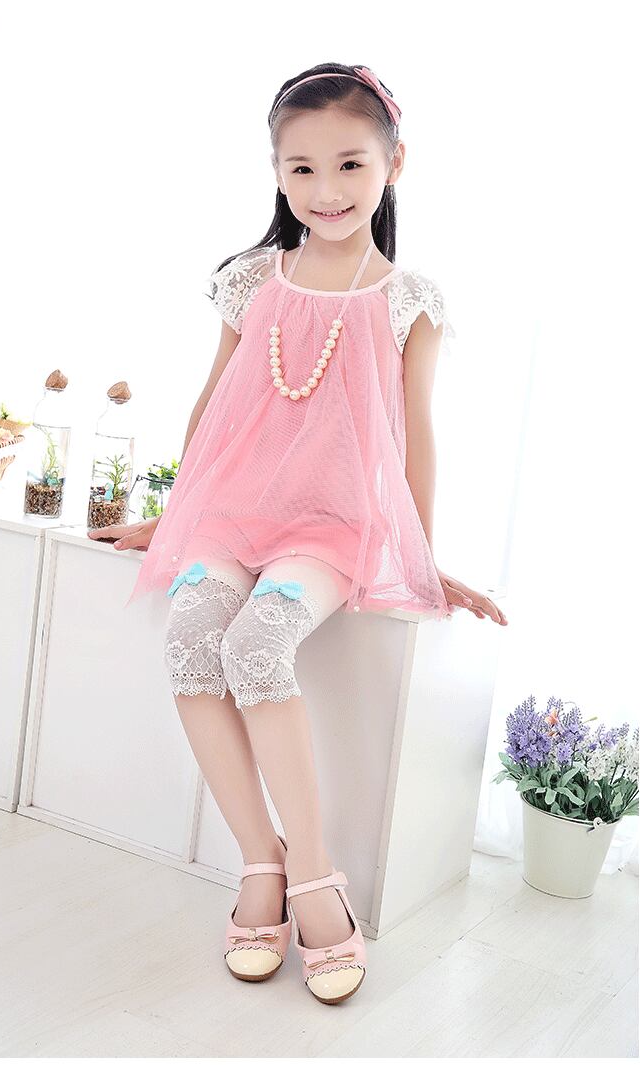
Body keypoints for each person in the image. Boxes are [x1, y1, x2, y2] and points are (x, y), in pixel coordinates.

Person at [89, 61, 507, 1005]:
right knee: (193, 636)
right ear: (276, 172)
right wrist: (172, 513)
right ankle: (262, 862)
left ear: (395, 165)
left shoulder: (407, 300)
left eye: (351, 165)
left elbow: (416, 438)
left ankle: (316, 875)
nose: (327, 190)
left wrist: (421, 558)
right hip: (229, 513)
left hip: (328, 530)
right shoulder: (251, 280)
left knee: (258, 644)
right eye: (303, 168)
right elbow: (212, 408)